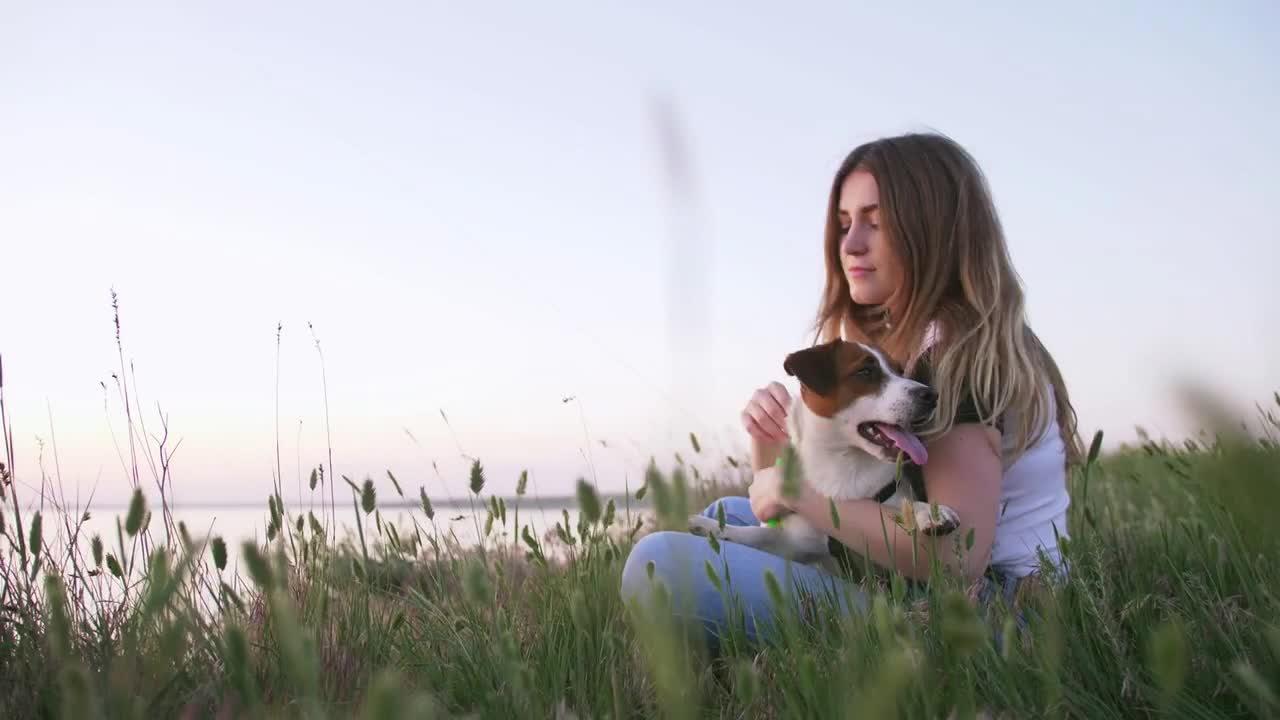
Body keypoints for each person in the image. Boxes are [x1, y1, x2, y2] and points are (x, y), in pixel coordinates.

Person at [620, 132, 1083, 642]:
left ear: (931, 230)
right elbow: (795, 515)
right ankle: (747, 676)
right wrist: (769, 444)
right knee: (720, 518)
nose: (850, 244)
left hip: (994, 616)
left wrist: (795, 493)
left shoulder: (958, 353)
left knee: (658, 563)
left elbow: (957, 557)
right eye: (844, 224)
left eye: (875, 223)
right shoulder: (907, 344)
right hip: (923, 585)